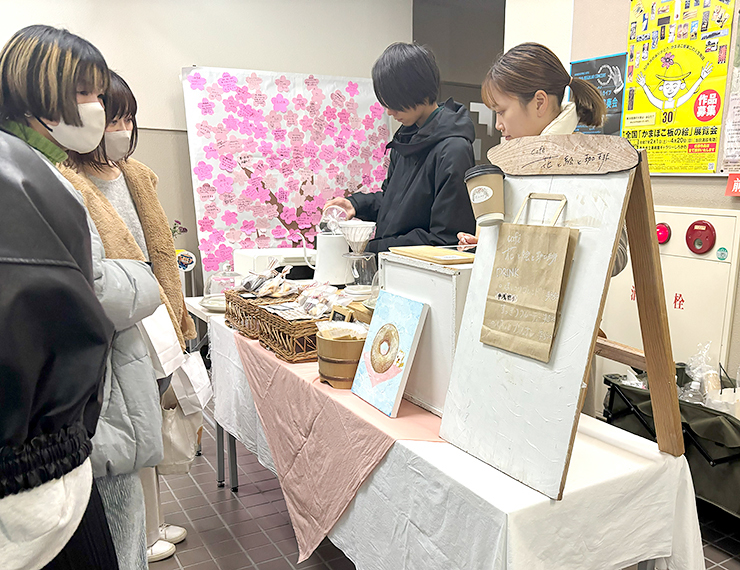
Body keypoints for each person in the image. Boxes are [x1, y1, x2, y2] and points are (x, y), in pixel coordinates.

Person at [0, 25, 164, 570]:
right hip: (56, 434)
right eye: (88, 95)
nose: (99, 111)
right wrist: (144, 280)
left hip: (61, 424)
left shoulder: (41, 167)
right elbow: (88, 290)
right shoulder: (31, 174)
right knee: (113, 530)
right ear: (39, 93)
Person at [60, 71, 197, 563]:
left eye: (128, 117)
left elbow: (158, 246)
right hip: (120, 321)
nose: (121, 126)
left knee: (154, 421)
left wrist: (176, 311)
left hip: (156, 316)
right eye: (112, 116)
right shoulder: (68, 178)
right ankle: (136, 538)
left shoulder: (135, 174)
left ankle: (154, 521)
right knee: (127, 432)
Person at [457, 42, 628, 278]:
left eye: (501, 111)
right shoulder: (508, 163)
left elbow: (616, 257)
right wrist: (485, 245)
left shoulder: (590, 161)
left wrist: (532, 251)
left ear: (539, 102)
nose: (498, 125)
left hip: (566, 310)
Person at [325, 42, 476, 253]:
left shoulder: (453, 150)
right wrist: (357, 204)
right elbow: (392, 203)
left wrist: (372, 249)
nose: (389, 112)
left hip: (422, 275)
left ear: (420, 91)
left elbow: (445, 239)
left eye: (394, 102)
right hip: (391, 267)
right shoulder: (405, 141)